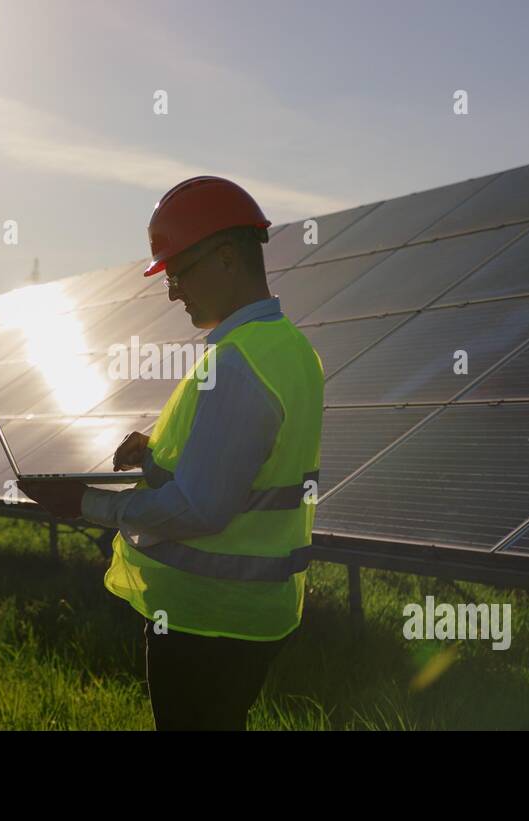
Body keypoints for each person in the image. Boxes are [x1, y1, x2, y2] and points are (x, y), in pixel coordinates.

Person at [19, 176, 324, 730]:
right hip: (253, 613)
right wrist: (153, 457)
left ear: (227, 258)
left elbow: (200, 508)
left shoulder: (236, 365)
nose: (172, 290)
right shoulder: (288, 350)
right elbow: (245, 466)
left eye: (179, 271)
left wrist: (84, 503)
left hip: (209, 619)